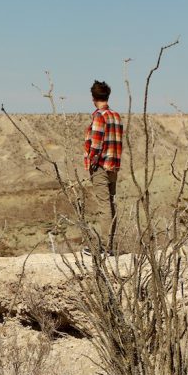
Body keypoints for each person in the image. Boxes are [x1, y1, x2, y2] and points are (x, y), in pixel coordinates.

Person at [84, 79, 123, 252]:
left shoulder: (99, 116)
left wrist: (91, 161)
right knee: (111, 205)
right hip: (114, 165)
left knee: (104, 206)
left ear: (93, 97)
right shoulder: (116, 115)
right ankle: (111, 246)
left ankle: (106, 248)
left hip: (101, 165)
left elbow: (96, 144)